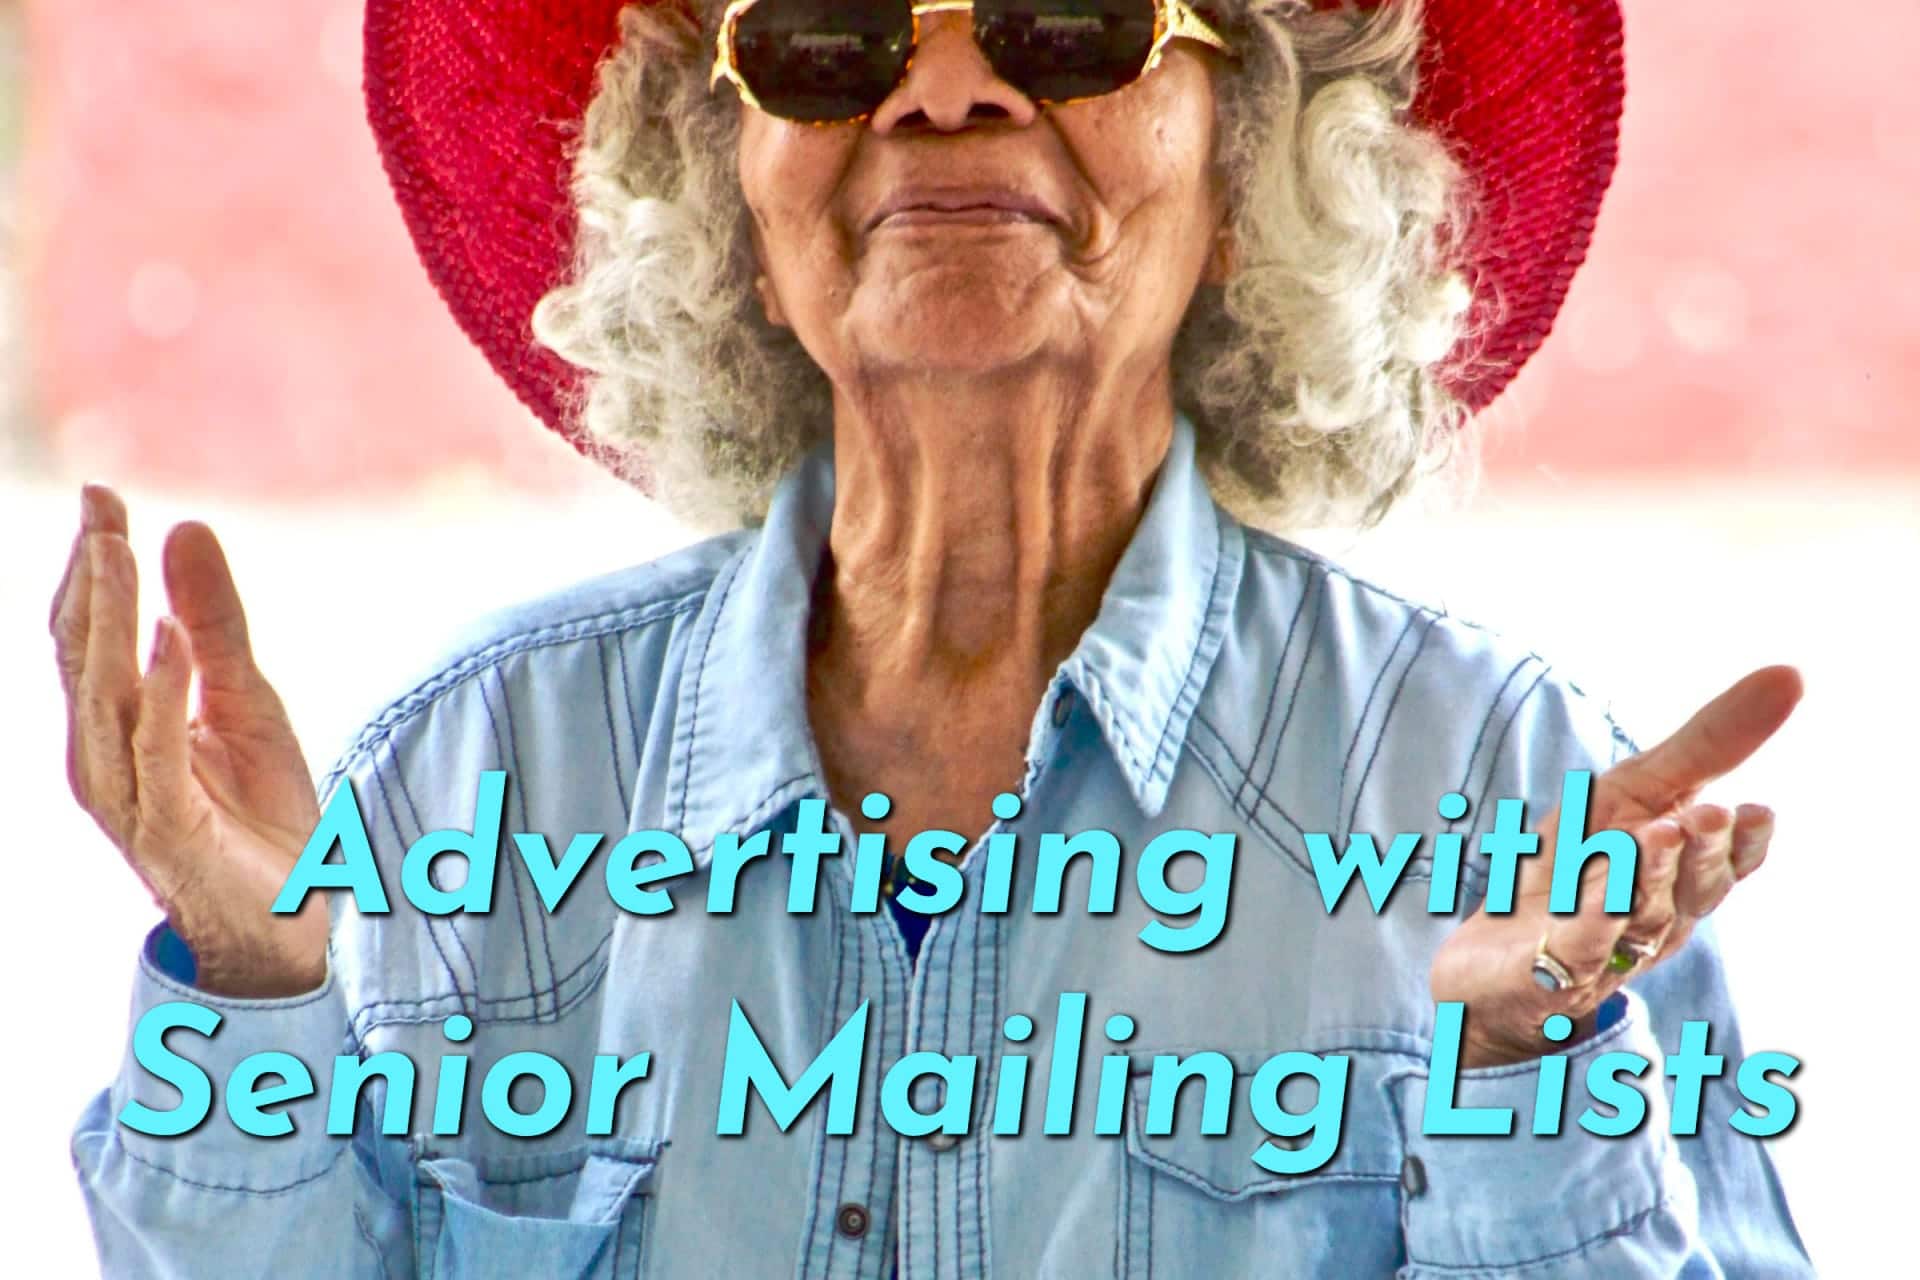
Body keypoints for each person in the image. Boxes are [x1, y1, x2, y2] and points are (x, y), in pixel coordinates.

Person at [60, 0, 1814, 1275]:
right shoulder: (473, 778)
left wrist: (1522, 1073)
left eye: (1074, 24)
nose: (947, 88)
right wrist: (261, 985)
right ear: (732, 200)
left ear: (1248, 174)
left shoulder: (1500, 783)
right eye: (827, 37)